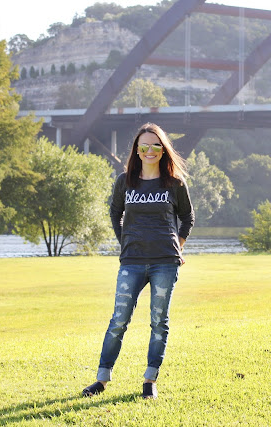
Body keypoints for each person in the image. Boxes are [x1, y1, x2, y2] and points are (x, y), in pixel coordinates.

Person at [83, 123, 194, 400]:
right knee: (118, 321)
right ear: (136, 149)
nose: (150, 150)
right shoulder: (125, 182)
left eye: (156, 145)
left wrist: (177, 246)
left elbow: (187, 218)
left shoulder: (175, 183)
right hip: (131, 262)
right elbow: (115, 213)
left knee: (159, 322)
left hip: (165, 263)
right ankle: (101, 380)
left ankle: (149, 381)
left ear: (163, 149)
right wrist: (125, 243)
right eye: (144, 145)